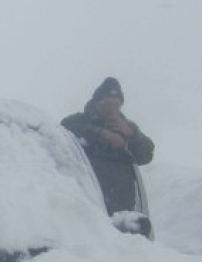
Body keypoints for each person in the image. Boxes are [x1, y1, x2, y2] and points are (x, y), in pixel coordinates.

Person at [61, 77, 154, 216]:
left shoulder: (127, 128)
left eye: (116, 105)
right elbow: (64, 130)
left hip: (123, 212)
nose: (112, 109)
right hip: (85, 207)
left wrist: (132, 135)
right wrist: (102, 134)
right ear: (97, 102)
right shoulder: (78, 120)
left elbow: (146, 155)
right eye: (107, 103)